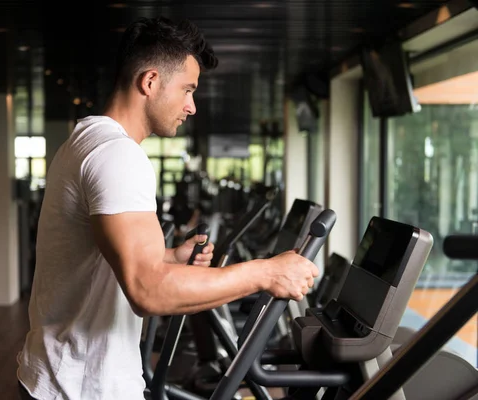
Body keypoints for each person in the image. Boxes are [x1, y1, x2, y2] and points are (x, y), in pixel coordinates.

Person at [16, 16, 319, 400]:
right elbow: (147, 290)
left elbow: (94, 254)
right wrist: (267, 273)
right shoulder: (118, 156)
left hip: (56, 375)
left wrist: (168, 257)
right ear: (150, 81)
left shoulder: (84, 140)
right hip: (80, 387)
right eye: (188, 90)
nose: (192, 107)